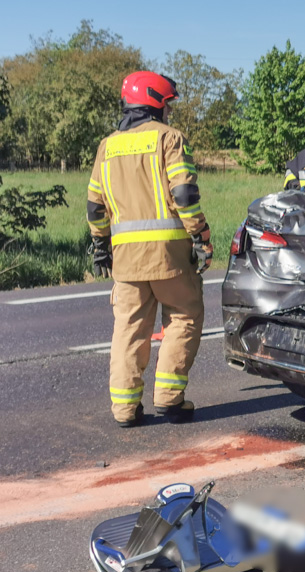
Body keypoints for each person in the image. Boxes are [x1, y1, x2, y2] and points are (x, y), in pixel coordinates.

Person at [87, 71, 212, 428]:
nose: (169, 112)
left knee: (128, 330)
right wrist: (200, 234)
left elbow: (95, 206)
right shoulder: (169, 138)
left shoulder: (107, 145)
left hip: (126, 262)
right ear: (156, 102)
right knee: (185, 315)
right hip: (170, 257)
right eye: (168, 104)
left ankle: (125, 410)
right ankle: (170, 400)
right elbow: (184, 195)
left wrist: (100, 243)